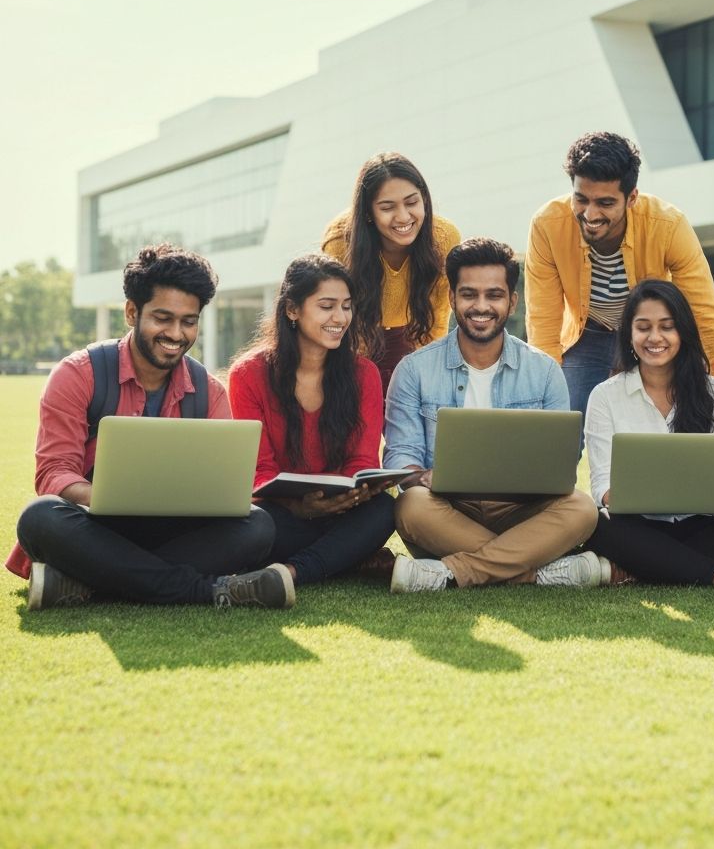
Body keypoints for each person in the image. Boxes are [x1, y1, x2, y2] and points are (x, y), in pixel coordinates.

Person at [11, 244, 290, 610]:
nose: (176, 333)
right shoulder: (78, 374)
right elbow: (52, 472)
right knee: (40, 517)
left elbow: (225, 487)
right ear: (131, 312)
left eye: (188, 321)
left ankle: (91, 583)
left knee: (258, 525)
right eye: (163, 318)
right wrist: (106, 499)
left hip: (173, 532)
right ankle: (207, 591)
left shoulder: (209, 391)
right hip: (97, 526)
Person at [383, 237, 600, 592]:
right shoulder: (413, 370)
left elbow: (559, 468)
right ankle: (537, 570)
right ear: (452, 298)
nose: (480, 306)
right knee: (410, 505)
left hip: (522, 512)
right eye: (469, 294)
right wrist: (423, 477)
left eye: (494, 295)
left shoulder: (544, 371)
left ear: (512, 301)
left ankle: (450, 573)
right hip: (448, 511)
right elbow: (400, 459)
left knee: (582, 508)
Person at [525, 131, 714, 430]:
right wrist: (543, 411)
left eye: (605, 203)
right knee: (561, 426)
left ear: (632, 197)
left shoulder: (668, 225)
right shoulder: (547, 225)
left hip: (647, 331)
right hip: (586, 333)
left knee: (670, 423)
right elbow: (543, 322)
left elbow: (706, 315)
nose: (590, 214)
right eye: (581, 199)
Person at [583, 279, 714, 592]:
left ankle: (639, 568)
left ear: (683, 332)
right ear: (629, 333)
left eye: (667, 326)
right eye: (643, 327)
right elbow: (603, 489)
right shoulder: (605, 396)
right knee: (595, 525)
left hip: (702, 524)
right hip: (637, 525)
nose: (655, 337)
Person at [228, 255, 396, 587]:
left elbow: (363, 460)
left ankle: (291, 572)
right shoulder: (248, 374)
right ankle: (346, 558)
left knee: (384, 511)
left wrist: (343, 499)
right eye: (327, 306)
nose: (340, 318)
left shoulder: (364, 374)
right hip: (282, 514)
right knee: (255, 526)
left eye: (346, 306)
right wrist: (300, 506)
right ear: (292, 309)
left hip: (343, 512)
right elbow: (258, 469)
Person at [322, 152, 461, 395]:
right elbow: (337, 320)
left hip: (412, 337)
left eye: (411, 202)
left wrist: (427, 379)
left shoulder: (445, 237)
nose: (404, 217)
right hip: (355, 341)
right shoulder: (340, 240)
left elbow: (436, 322)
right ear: (368, 212)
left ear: (425, 200)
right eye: (387, 207)